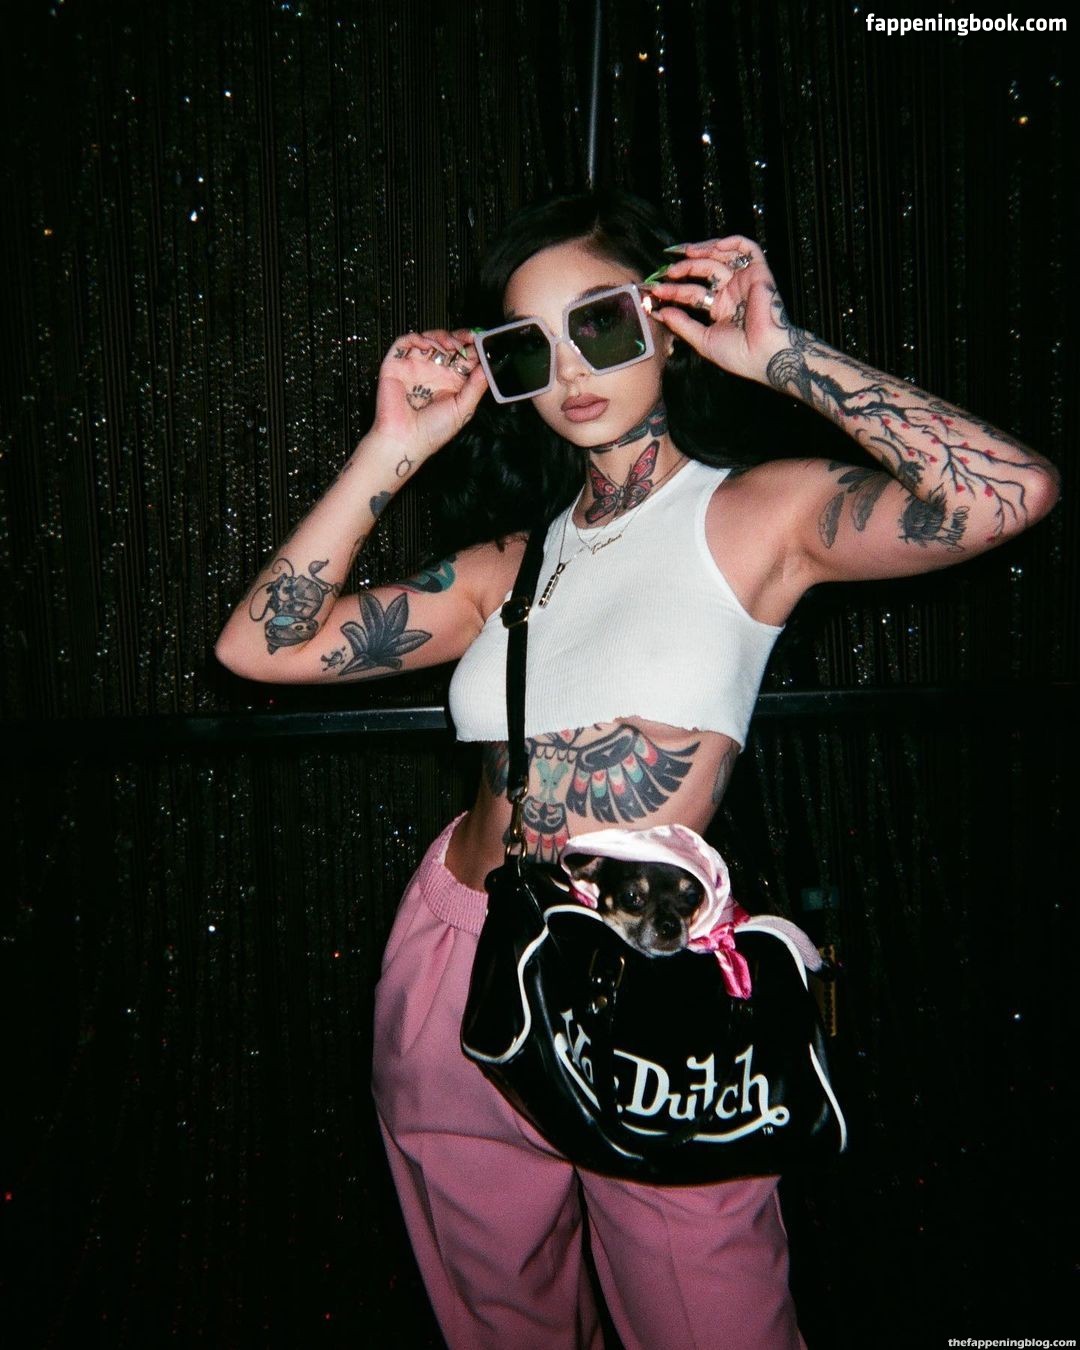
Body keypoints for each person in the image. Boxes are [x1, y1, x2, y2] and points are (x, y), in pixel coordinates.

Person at [214, 189, 1059, 1349]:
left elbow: (1009, 493)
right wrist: (394, 444)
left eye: (601, 322)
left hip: (651, 972)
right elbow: (259, 648)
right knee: (499, 1318)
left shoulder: (758, 515)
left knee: (709, 1317)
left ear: (666, 322)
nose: (570, 367)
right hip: (460, 944)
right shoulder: (506, 567)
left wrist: (783, 355)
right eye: (528, 346)